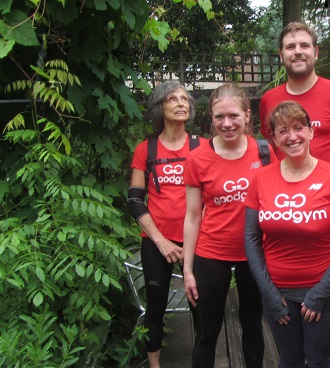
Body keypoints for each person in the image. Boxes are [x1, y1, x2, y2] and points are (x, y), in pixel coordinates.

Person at [259, 21, 330, 367]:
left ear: (315, 52)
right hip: (287, 206)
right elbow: (274, 148)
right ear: (281, 56)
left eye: (304, 46)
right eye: (291, 47)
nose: (298, 52)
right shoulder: (270, 100)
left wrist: (329, 175)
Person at [245, 100, 330, 368]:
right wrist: (269, 293)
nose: (292, 136)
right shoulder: (260, 180)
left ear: (311, 132)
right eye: (283, 130)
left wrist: (321, 293)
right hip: (278, 290)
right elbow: (251, 239)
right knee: (290, 359)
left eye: (298, 127)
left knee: (319, 359)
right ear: (273, 138)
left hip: (326, 289)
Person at [183, 84, 276, 368]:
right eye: (219, 117)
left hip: (254, 254)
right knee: (207, 332)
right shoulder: (197, 158)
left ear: (248, 115)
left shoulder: (264, 151)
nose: (227, 124)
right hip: (211, 252)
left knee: (252, 325)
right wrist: (187, 269)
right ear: (210, 118)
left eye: (234, 116)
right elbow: (192, 215)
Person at [127, 80, 205, 368]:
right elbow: (135, 200)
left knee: (199, 306)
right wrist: (160, 240)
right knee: (156, 307)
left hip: (196, 241)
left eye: (185, 98)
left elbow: (214, 196)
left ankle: (201, 361)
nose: (181, 103)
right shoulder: (145, 149)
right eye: (173, 98)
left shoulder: (202, 146)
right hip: (156, 241)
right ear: (159, 107)